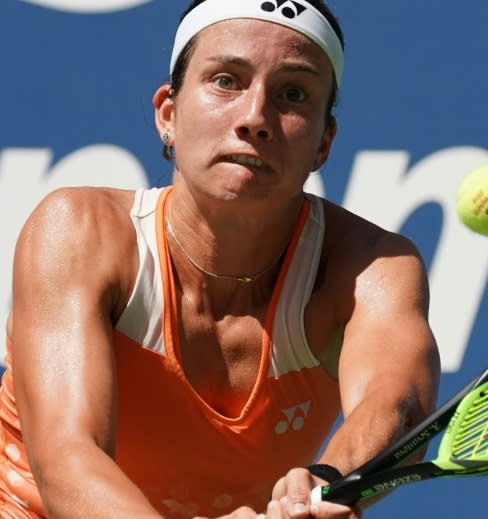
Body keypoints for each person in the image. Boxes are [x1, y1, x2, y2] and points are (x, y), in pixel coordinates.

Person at [0, 0, 441, 517]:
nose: (255, 117)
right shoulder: (78, 229)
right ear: (168, 113)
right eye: (226, 81)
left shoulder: (372, 267)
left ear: (324, 142)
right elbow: (69, 462)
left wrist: (323, 485)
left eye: (293, 93)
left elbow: (396, 406)